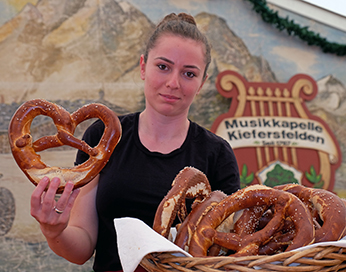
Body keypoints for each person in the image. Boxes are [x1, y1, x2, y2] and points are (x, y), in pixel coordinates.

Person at [30, 13, 240, 272]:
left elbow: (225, 253)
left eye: (189, 73)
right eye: (163, 67)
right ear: (143, 67)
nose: (173, 83)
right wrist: (54, 231)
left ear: (202, 83)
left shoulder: (217, 154)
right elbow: (82, 247)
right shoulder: (103, 138)